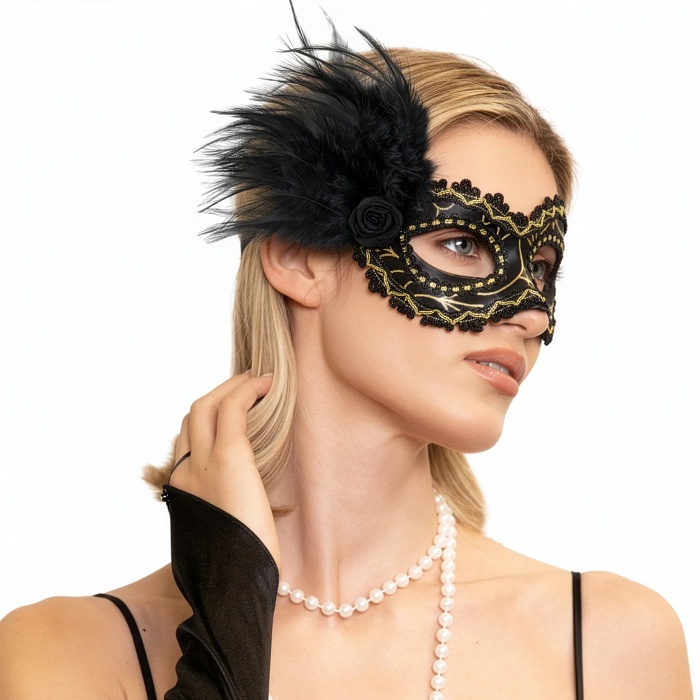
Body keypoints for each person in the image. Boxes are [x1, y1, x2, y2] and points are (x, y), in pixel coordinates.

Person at [0, 14, 693, 700]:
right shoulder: (72, 653)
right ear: (300, 258)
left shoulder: (607, 643)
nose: (530, 310)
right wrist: (230, 619)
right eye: (461, 243)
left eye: (540, 267)